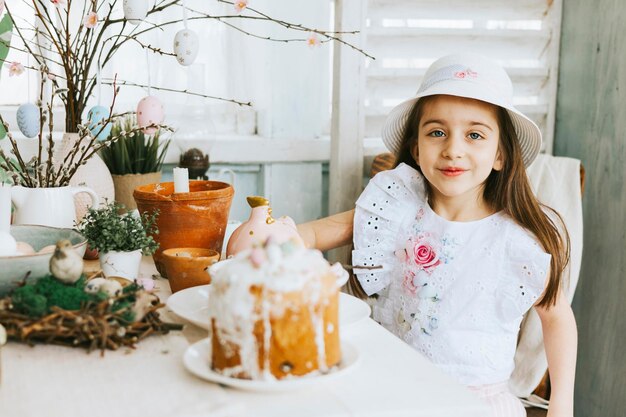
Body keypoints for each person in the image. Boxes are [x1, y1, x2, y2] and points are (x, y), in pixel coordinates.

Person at [297, 54, 577, 417]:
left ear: (500, 155)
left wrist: (562, 404)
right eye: (437, 132)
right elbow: (312, 233)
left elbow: (556, 317)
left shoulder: (518, 240)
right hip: (390, 393)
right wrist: (281, 236)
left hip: (476, 404)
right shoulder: (395, 209)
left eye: (474, 135)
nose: (453, 149)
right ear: (417, 148)